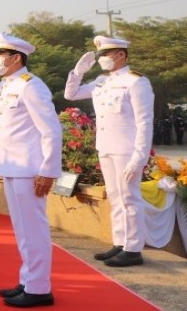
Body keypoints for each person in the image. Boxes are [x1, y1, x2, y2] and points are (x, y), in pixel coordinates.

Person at [0, 32, 61, 308]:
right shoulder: (7, 85)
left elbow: (51, 129)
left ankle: (40, 289)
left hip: (30, 169)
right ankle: (29, 280)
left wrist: (49, 170)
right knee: (22, 229)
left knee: (34, 229)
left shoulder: (32, 86)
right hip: (11, 166)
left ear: (16, 58)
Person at [64, 35, 154, 268]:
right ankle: (120, 242)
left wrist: (139, 157)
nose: (102, 58)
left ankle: (133, 249)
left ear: (121, 55)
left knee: (130, 198)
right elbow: (70, 94)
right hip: (106, 147)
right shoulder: (102, 82)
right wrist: (78, 72)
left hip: (127, 150)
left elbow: (145, 123)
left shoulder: (136, 82)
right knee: (115, 197)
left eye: (105, 54)